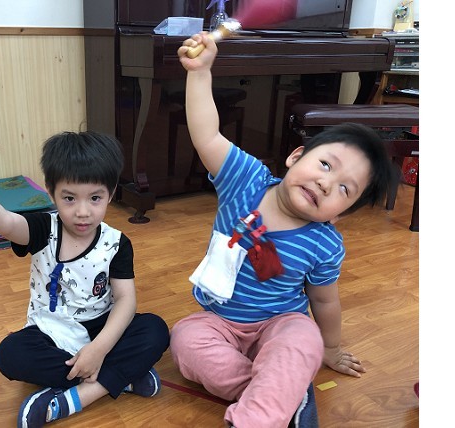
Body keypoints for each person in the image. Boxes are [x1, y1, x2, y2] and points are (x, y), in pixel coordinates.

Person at [171, 33, 399, 427]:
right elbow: (207, 135)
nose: (326, 183)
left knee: (303, 339)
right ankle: (281, 396)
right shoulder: (245, 180)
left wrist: (330, 348)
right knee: (185, 340)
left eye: (344, 189)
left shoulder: (325, 243)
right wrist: (200, 72)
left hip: (279, 323)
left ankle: (257, 415)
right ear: (296, 156)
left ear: (341, 214)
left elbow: (324, 301)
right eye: (325, 165)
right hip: (219, 321)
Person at [0, 131, 170, 428]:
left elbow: (125, 300)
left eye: (95, 198)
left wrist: (98, 349)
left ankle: (78, 396)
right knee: (11, 355)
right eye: (69, 198)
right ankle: (120, 377)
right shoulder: (43, 228)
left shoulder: (117, 243)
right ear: (51, 192)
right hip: (52, 330)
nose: (82, 212)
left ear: (110, 194)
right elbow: (5, 221)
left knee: (155, 330)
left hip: (102, 328)